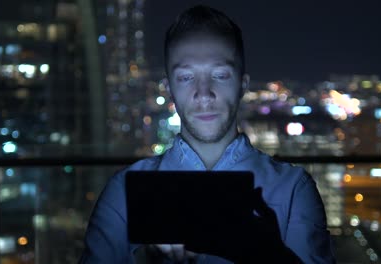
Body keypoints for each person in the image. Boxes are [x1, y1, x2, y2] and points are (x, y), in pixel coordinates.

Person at [80, 5, 335, 264]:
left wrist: (272, 257)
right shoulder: (123, 192)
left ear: (242, 86)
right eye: (187, 77)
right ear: (169, 89)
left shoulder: (293, 189)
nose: (204, 93)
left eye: (220, 75)